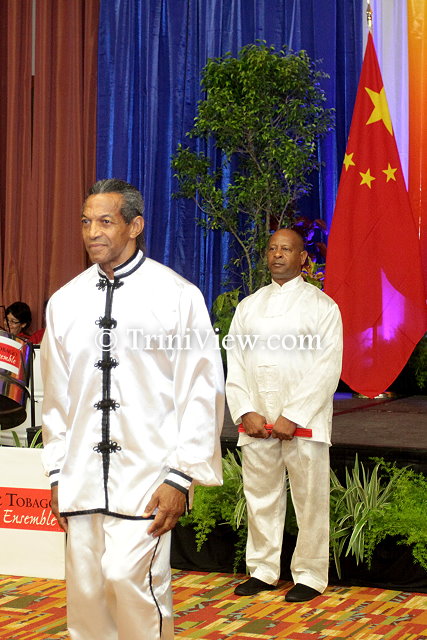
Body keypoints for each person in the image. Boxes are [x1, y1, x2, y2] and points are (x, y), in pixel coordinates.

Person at [41, 178, 224, 640]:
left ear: (134, 226)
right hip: (80, 477)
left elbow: (202, 391)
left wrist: (181, 476)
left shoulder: (177, 296)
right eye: (86, 222)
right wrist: (57, 473)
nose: (92, 232)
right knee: (87, 595)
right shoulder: (64, 302)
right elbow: (56, 399)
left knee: (132, 582)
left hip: (148, 478)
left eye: (105, 221)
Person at [226, 228, 342, 603]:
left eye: (286, 249)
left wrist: (294, 414)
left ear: (302, 258)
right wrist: (245, 410)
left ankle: (310, 575)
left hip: (304, 422)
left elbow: (327, 367)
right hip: (257, 421)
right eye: (272, 248)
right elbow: (235, 363)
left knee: (310, 500)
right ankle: (263, 570)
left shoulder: (323, 307)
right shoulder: (248, 307)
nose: (277, 254)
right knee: (260, 497)